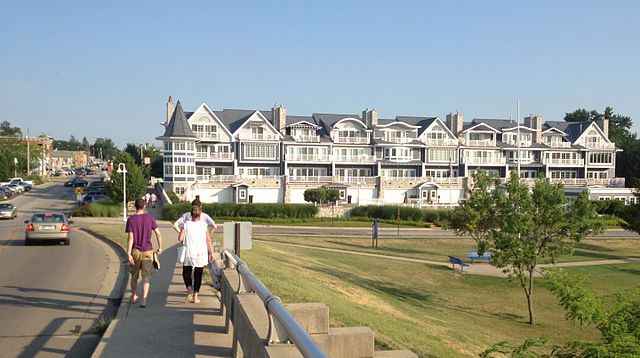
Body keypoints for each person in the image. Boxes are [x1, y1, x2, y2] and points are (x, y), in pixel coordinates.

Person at [126, 198, 163, 308]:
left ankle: (134, 295)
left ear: (135, 206)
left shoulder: (131, 220)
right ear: (144, 206)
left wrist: (128, 253)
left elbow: (131, 237)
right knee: (146, 276)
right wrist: (160, 247)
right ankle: (144, 299)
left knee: (134, 275)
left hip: (136, 251)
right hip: (148, 250)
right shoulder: (150, 218)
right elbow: (158, 234)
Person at [178, 205, 213, 303]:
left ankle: (189, 290)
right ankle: (195, 297)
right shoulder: (203, 225)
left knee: (186, 273)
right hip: (200, 253)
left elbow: (180, 238)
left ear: (191, 214)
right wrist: (211, 252)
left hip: (189, 252)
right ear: (200, 214)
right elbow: (208, 240)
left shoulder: (186, 224)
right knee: (198, 274)